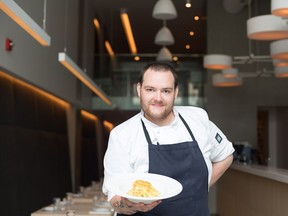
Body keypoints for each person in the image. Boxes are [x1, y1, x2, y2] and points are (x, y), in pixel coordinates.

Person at [102, 62, 234, 216]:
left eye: (166, 91)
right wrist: (133, 206)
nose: (158, 98)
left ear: (176, 92)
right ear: (139, 89)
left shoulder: (198, 119)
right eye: (150, 90)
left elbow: (225, 155)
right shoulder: (122, 135)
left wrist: (201, 186)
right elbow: (114, 199)